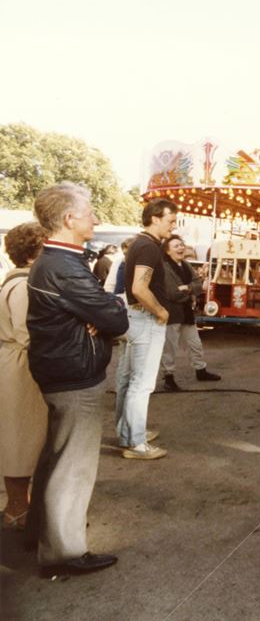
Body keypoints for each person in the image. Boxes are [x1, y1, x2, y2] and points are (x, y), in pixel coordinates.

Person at [23, 182, 129, 577]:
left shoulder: (54, 262)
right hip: (74, 374)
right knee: (73, 467)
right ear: (69, 219)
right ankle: (63, 554)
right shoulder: (65, 267)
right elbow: (116, 318)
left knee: (55, 457)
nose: (96, 219)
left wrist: (98, 315)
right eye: (89, 213)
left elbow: (102, 314)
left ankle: (40, 534)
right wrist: (104, 314)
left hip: (58, 369)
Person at [116, 198, 177, 460]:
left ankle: (128, 433)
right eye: (170, 220)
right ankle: (136, 443)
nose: (173, 227)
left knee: (128, 381)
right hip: (146, 321)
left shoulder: (139, 244)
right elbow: (140, 288)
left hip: (134, 319)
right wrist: (161, 311)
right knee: (141, 385)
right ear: (155, 218)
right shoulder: (149, 247)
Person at [1, 222, 48, 531]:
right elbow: (27, 334)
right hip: (20, 368)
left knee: (19, 438)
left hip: (15, 364)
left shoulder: (13, 281)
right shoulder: (22, 286)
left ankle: (19, 505)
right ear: (35, 252)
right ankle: (17, 507)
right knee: (21, 440)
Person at [159, 235, 221, 391]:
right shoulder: (164, 267)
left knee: (195, 343)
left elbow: (199, 285)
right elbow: (172, 293)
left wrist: (187, 288)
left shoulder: (186, 265)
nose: (180, 248)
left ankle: (201, 369)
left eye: (181, 245)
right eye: (176, 246)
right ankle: (169, 376)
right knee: (170, 347)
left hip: (186, 312)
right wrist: (190, 291)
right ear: (167, 251)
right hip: (172, 313)